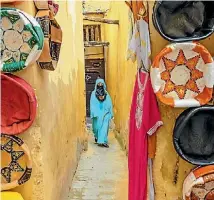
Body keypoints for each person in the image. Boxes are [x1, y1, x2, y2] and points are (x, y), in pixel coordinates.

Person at [90, 78, 113, 148]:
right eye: (98, 84)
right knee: (96, 127)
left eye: (101, 84)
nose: (100, 85)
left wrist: (110, 112)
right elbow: (92, 104)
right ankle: (97, 137)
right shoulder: (93, 94)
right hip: (97, 114)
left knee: (104, 126)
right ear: (96, 85)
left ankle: (103, 141)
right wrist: (93, 112)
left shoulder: (106, 93)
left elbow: (109, 103)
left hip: (105, 113)